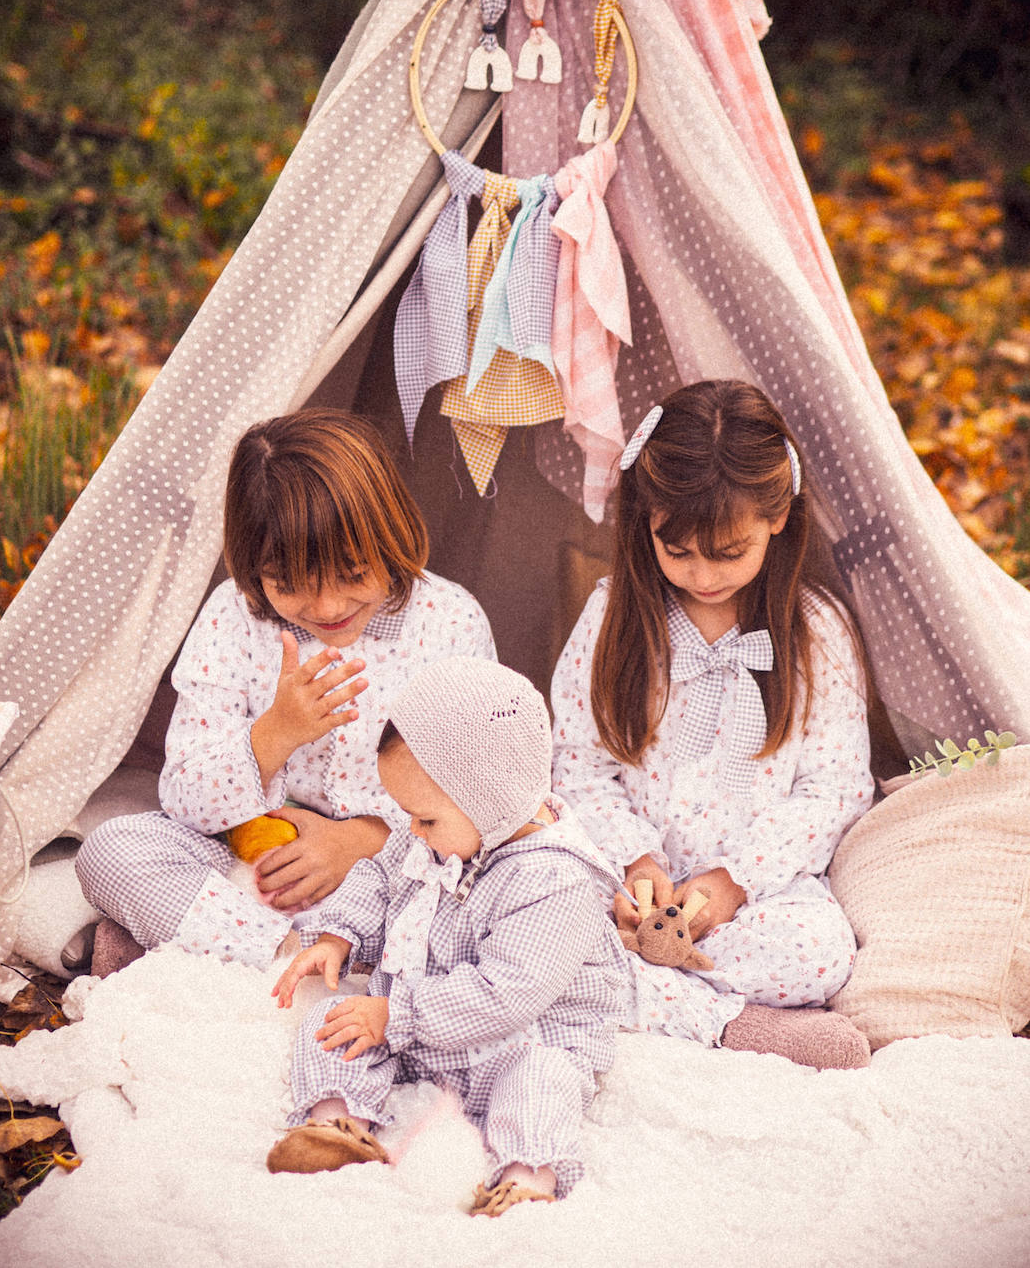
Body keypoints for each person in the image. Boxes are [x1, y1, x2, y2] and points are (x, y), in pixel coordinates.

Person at [75, 408, 495, 970]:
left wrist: (358, 844)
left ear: (391, 533)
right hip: (257, 873)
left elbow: (483, 796)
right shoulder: (235, 619)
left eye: (352, 575)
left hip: (398, 871)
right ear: (253, 566)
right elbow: (184, 796)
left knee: (488, 897)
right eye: (292, 585)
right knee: (111, 852)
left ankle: (279, 962)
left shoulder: (450, 622)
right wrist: (274, 735)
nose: (327, 608)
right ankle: (288, 959)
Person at [551, 380, 875, 1069]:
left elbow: (834, 789)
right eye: (679, 552)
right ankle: (735, 1024)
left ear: (779, 517)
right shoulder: (613, 620)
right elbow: (578, 768)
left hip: (759, 893)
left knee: (816, 953)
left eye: (727, 553)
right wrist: (635, 864)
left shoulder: (814, 633)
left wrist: (732, 882)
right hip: (627, 892)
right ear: (645, 523)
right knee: (537, 911)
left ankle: (637, 988)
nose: (701, 575)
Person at [266, 656, 629, 1217]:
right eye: (409, 814)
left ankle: (525, 1175)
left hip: (518, 1041)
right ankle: (336, 1124)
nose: (411, 830)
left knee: (544, 1081)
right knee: (329, 1022)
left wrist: (394, 1015)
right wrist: (339, 937)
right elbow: (376, 877)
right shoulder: (433, 834)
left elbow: (507, 994)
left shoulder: (556, 881)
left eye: (426, 818)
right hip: (418, 1027)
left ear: (493, 800)